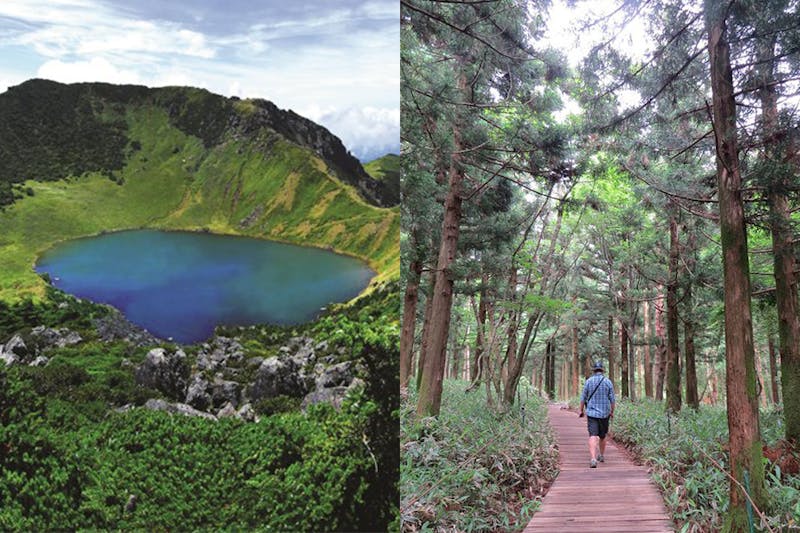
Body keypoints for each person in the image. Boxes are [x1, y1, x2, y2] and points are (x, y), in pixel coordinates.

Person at [579, 360, 615, 468]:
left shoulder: (589, 381)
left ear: (594, 370)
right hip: (604, 414)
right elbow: (612, 400)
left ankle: (593, 458)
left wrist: (581, 410)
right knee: (603, 436)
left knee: (593, 435)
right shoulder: (608, 382)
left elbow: (583, 397)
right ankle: (602, 455)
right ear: (602, 370)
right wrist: (612, 412)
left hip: (592, 413)